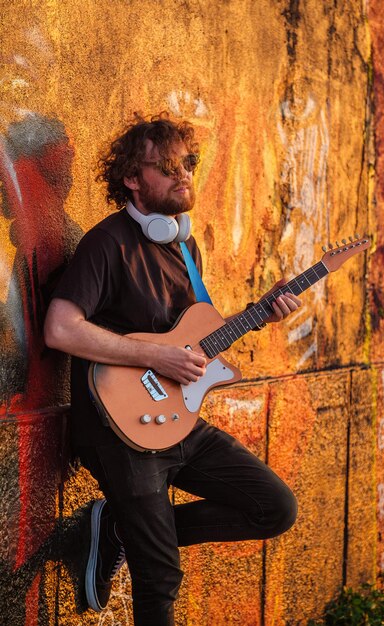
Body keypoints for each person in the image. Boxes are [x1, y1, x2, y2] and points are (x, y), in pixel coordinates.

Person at [44, 113, 302, 626]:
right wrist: (152, 356)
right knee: (160, 578)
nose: (183, 175)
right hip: (118, 431)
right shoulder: (107, 243)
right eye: (164, 168)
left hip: (176, 421)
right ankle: (141, 535)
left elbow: (189, 342)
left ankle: (123, 528)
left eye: (187, 164)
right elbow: (60, 328)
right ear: (132, 180)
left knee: (274, 507)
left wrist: (257, 314)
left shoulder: (185, 246)